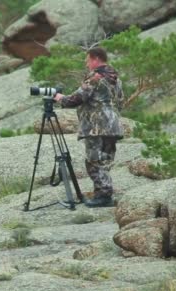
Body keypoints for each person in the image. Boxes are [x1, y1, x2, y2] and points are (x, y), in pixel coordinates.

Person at [53, 47, 125, 208]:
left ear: (95, 59)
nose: (86, 64)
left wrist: (59, 97)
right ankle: (104, 193)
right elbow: (120, 101)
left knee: (94, 161)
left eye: (87, 60)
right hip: (113, 126)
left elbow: (76, 99)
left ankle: (103, 196)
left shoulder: (95, 77)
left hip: (96, 127)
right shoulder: (116, 78)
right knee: (105, 160)